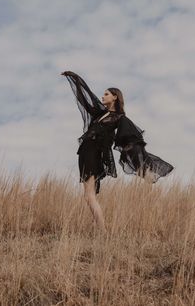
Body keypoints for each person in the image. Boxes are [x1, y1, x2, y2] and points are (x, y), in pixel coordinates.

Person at [61, 70, 174, 232]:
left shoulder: (120, 118)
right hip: (85, 153)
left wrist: (140, 164)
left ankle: (102, 231)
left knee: (88, 196)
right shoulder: (100, 114)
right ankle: (97, 228)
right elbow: (86, 100)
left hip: (94, 153)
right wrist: (75, 79)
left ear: (115, 97)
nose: (102, 97)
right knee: (90, 195)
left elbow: (130, 141)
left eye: (106, 94)